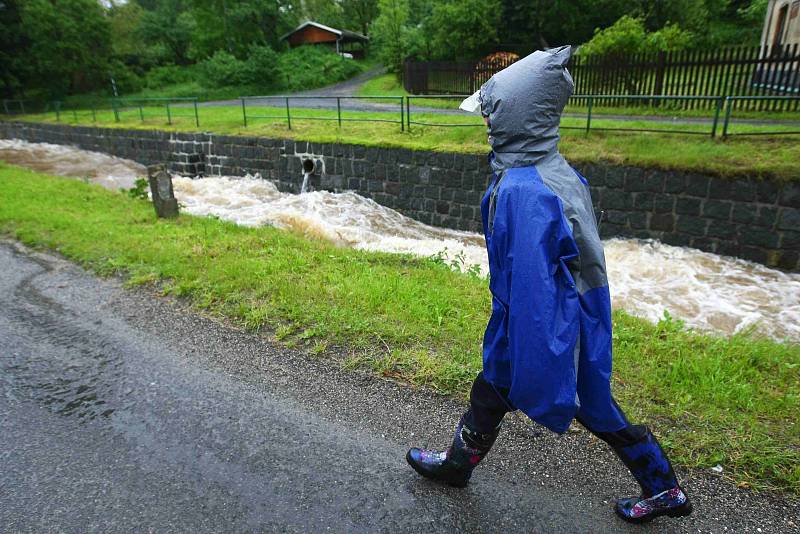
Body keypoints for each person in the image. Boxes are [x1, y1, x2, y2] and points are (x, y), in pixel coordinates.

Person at [405, 46, 693, 525]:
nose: (486, 122)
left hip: (551, 317)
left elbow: (540, 290)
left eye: (492, 112)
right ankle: (457, 466)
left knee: (589, 404)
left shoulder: (525, 190)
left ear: (514, 115)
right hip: (555, 305)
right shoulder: (546, 165)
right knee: (491, 387)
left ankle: (665, 489)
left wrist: (542, 357)